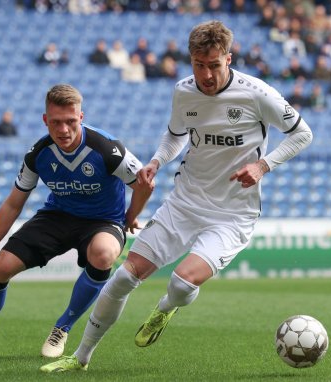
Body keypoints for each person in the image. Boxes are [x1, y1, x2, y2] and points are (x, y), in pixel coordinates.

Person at [41, 20, 313, 373]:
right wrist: (156, 161)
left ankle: (166, 309)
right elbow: (176, 136)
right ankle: (80, 358)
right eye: (199, 65)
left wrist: (263, 165)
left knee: (181, 282)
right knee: (124, 277)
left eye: (214, 65)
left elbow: (302, 133)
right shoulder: (184, 91)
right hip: (184, 202)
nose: (207, 75)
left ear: (228, 59)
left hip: (233, 213)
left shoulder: (257, 94)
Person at [0, 84, 152, 358]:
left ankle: (62, 328)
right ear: (46, 120)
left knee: (104, 254)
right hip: (57, 217)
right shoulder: (38, 154)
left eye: (70, 121)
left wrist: (131, 217)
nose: (63, 129)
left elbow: (144, 184)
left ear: (81, 117)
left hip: (102, 220)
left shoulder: (107, 148)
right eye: (56, 122)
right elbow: (13, 203)